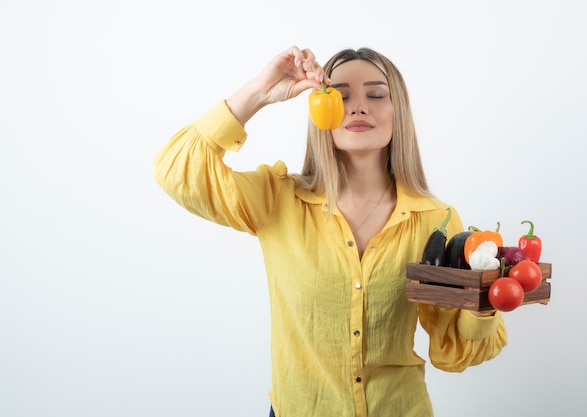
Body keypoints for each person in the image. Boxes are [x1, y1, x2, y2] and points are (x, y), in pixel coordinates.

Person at [153, 45, 507, 417]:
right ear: (320, 110)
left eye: (376, 94)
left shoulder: (437, 220)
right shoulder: (278, 199)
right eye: (339, 95)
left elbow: (454, 351)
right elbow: (177, 171)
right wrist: (260, 91)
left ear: (397, 112)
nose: (358, 106)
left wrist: (486, 299)